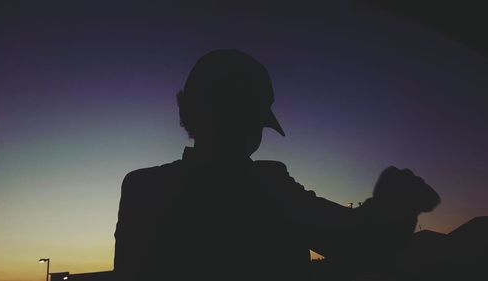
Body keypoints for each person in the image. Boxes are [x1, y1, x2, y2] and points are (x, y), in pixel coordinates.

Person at [113, 49, 440, 281]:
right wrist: (394, 206)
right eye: (244, 118)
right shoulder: (268, 186)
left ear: (186, 112)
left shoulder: (141, 188)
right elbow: (363, 243)